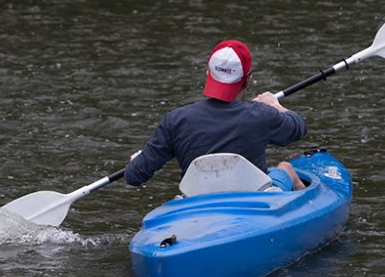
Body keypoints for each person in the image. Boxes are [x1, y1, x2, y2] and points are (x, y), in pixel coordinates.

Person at [124, 39, 307, 191]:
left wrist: (140, 161)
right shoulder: (262, 115)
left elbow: (134, 176)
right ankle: (288, 174)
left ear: (208, 74)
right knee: (282, 168)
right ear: (249, 79)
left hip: (199, 205)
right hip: (254, 203)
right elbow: (298, 128)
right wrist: (276, 106)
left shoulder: (176, 120)